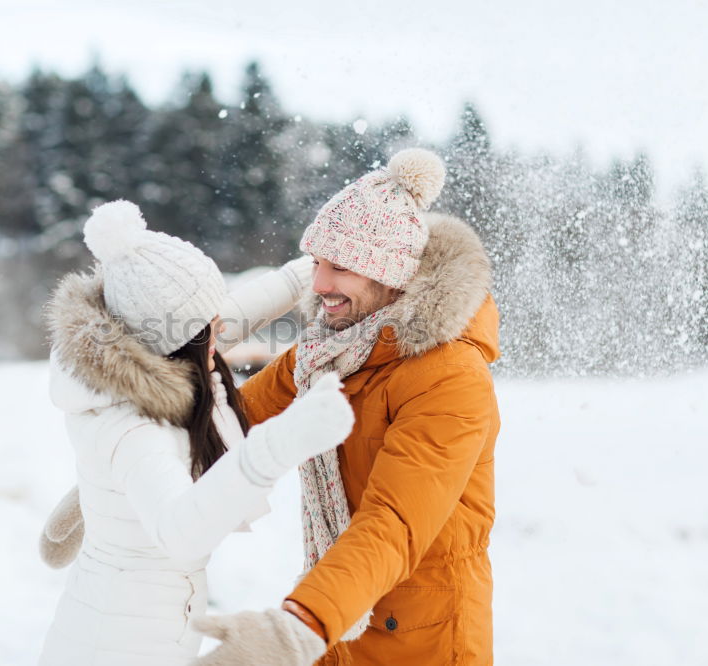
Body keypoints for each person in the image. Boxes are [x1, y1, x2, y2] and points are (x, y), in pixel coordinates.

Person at [43, 147, 501, 665]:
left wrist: (297, 626)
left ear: (391, 274)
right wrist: (110, 480)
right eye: (317, 264)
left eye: (341, 267)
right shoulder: (331, 350)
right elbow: (231, 418)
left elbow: (393, 525)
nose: (321, 284)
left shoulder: (450, 376)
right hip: (335, 618)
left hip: (421, 637)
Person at [37, 200, 355, 666]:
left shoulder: (149, 355)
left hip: (123, 627)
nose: (222, 330)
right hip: (119, 649)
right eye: (210, 327)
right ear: (176, 342)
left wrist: (312, 269)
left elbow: (236, 311)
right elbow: (181, 534)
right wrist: (280, 444)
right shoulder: (136, 429)